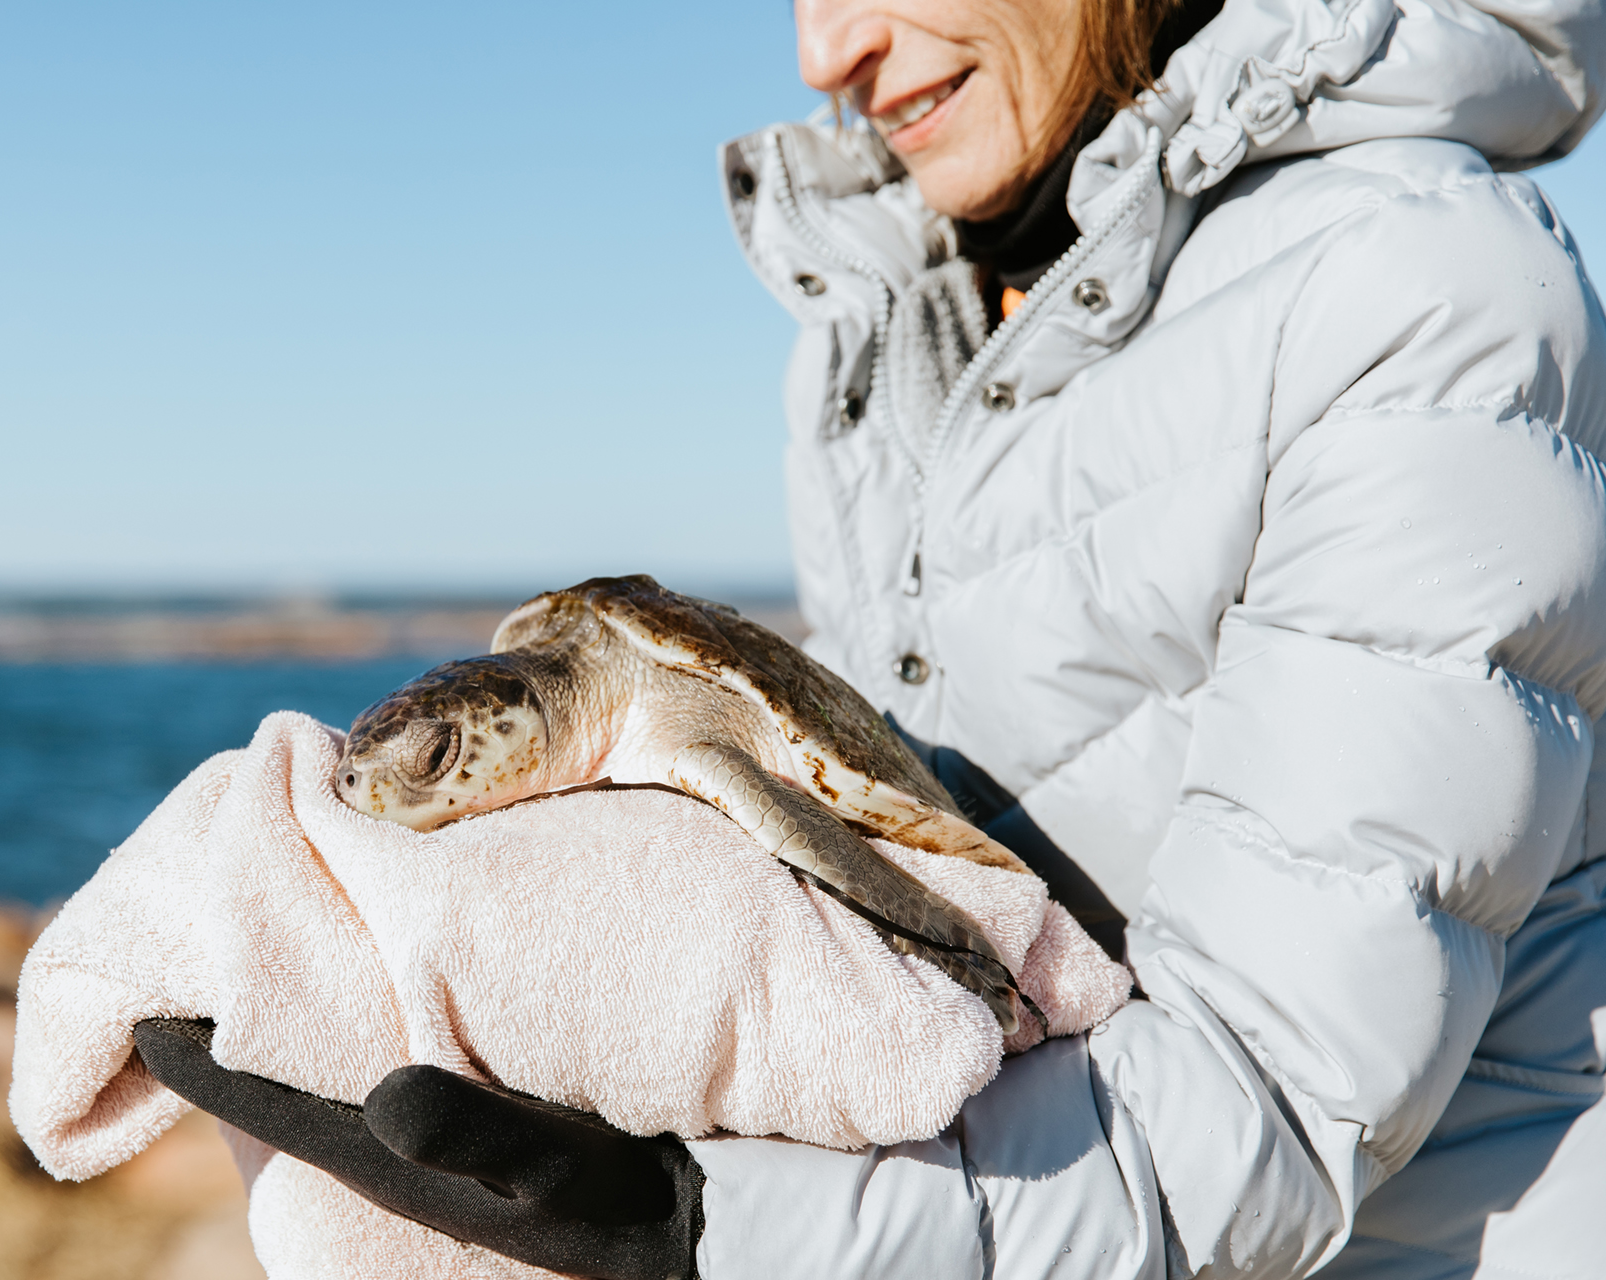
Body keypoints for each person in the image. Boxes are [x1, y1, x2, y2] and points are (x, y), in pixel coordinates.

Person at [137, 0, 1606, 1274]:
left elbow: (1279, 1109)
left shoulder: (1415, 289)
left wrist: (711, 1224)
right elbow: (908, 893)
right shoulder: (897, 314)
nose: (825, 49)